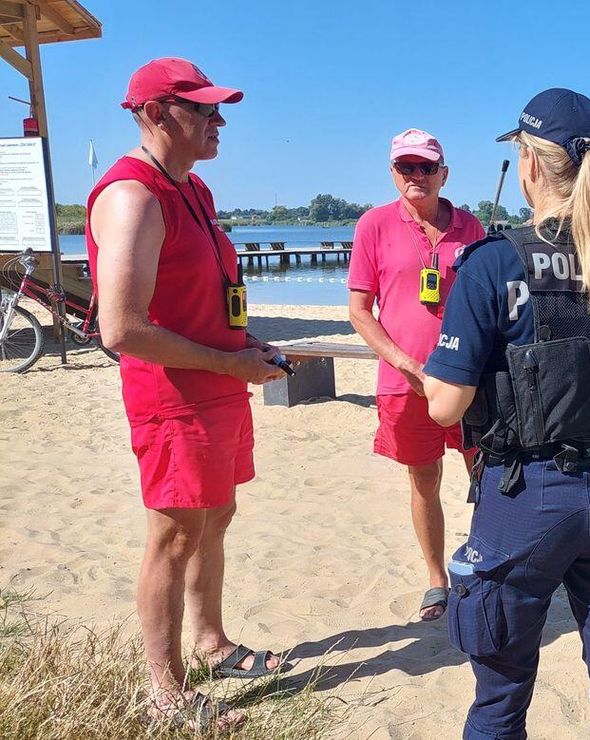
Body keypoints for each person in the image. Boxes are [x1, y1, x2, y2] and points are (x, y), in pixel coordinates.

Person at [422, 88, 590, 739]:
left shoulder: (493, 264)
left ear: (531, 165)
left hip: (523, 497)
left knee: (501, 697)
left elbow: (445, 406)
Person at [87, 58, 291, 730]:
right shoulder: (133, 196)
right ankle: (166, 693)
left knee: (217, 515)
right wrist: (229, 363)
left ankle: (211, 641)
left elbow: (201, 297)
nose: (218, 120)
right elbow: (121, 329)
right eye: (202, 109)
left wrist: (247, 344)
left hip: (219, 385)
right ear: (155, 113)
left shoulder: (193, 190)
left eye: (216, 108)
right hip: (174, 399)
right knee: (174, 536)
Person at [347, 128, 486, 620]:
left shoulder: (471, 226)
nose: (417, 175)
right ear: (393, 173)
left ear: (444, 173)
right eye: (407, 167)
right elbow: (360, 311)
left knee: (485, 474)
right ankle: (436, 578)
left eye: (426, 167)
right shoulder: (374, 225)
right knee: (424, 478)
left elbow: (491, 302)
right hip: (405, 383)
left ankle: (486, 564)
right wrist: (404, 362)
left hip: (467, 381)